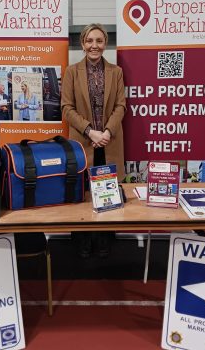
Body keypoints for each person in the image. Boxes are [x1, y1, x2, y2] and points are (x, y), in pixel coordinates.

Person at [61, 23, 126, 258]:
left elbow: (121, 105)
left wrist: (107, 131)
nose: (94, 46)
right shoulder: (71, 72)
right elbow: (66, 108)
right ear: (83, 43)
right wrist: (91, 131)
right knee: (83, 194)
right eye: (90, 41)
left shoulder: (116, 72)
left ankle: (104, 241)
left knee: (108, 191)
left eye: (99, 41)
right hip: (83, 143)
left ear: (105, 44)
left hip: (109, 143)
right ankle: (82, 241)